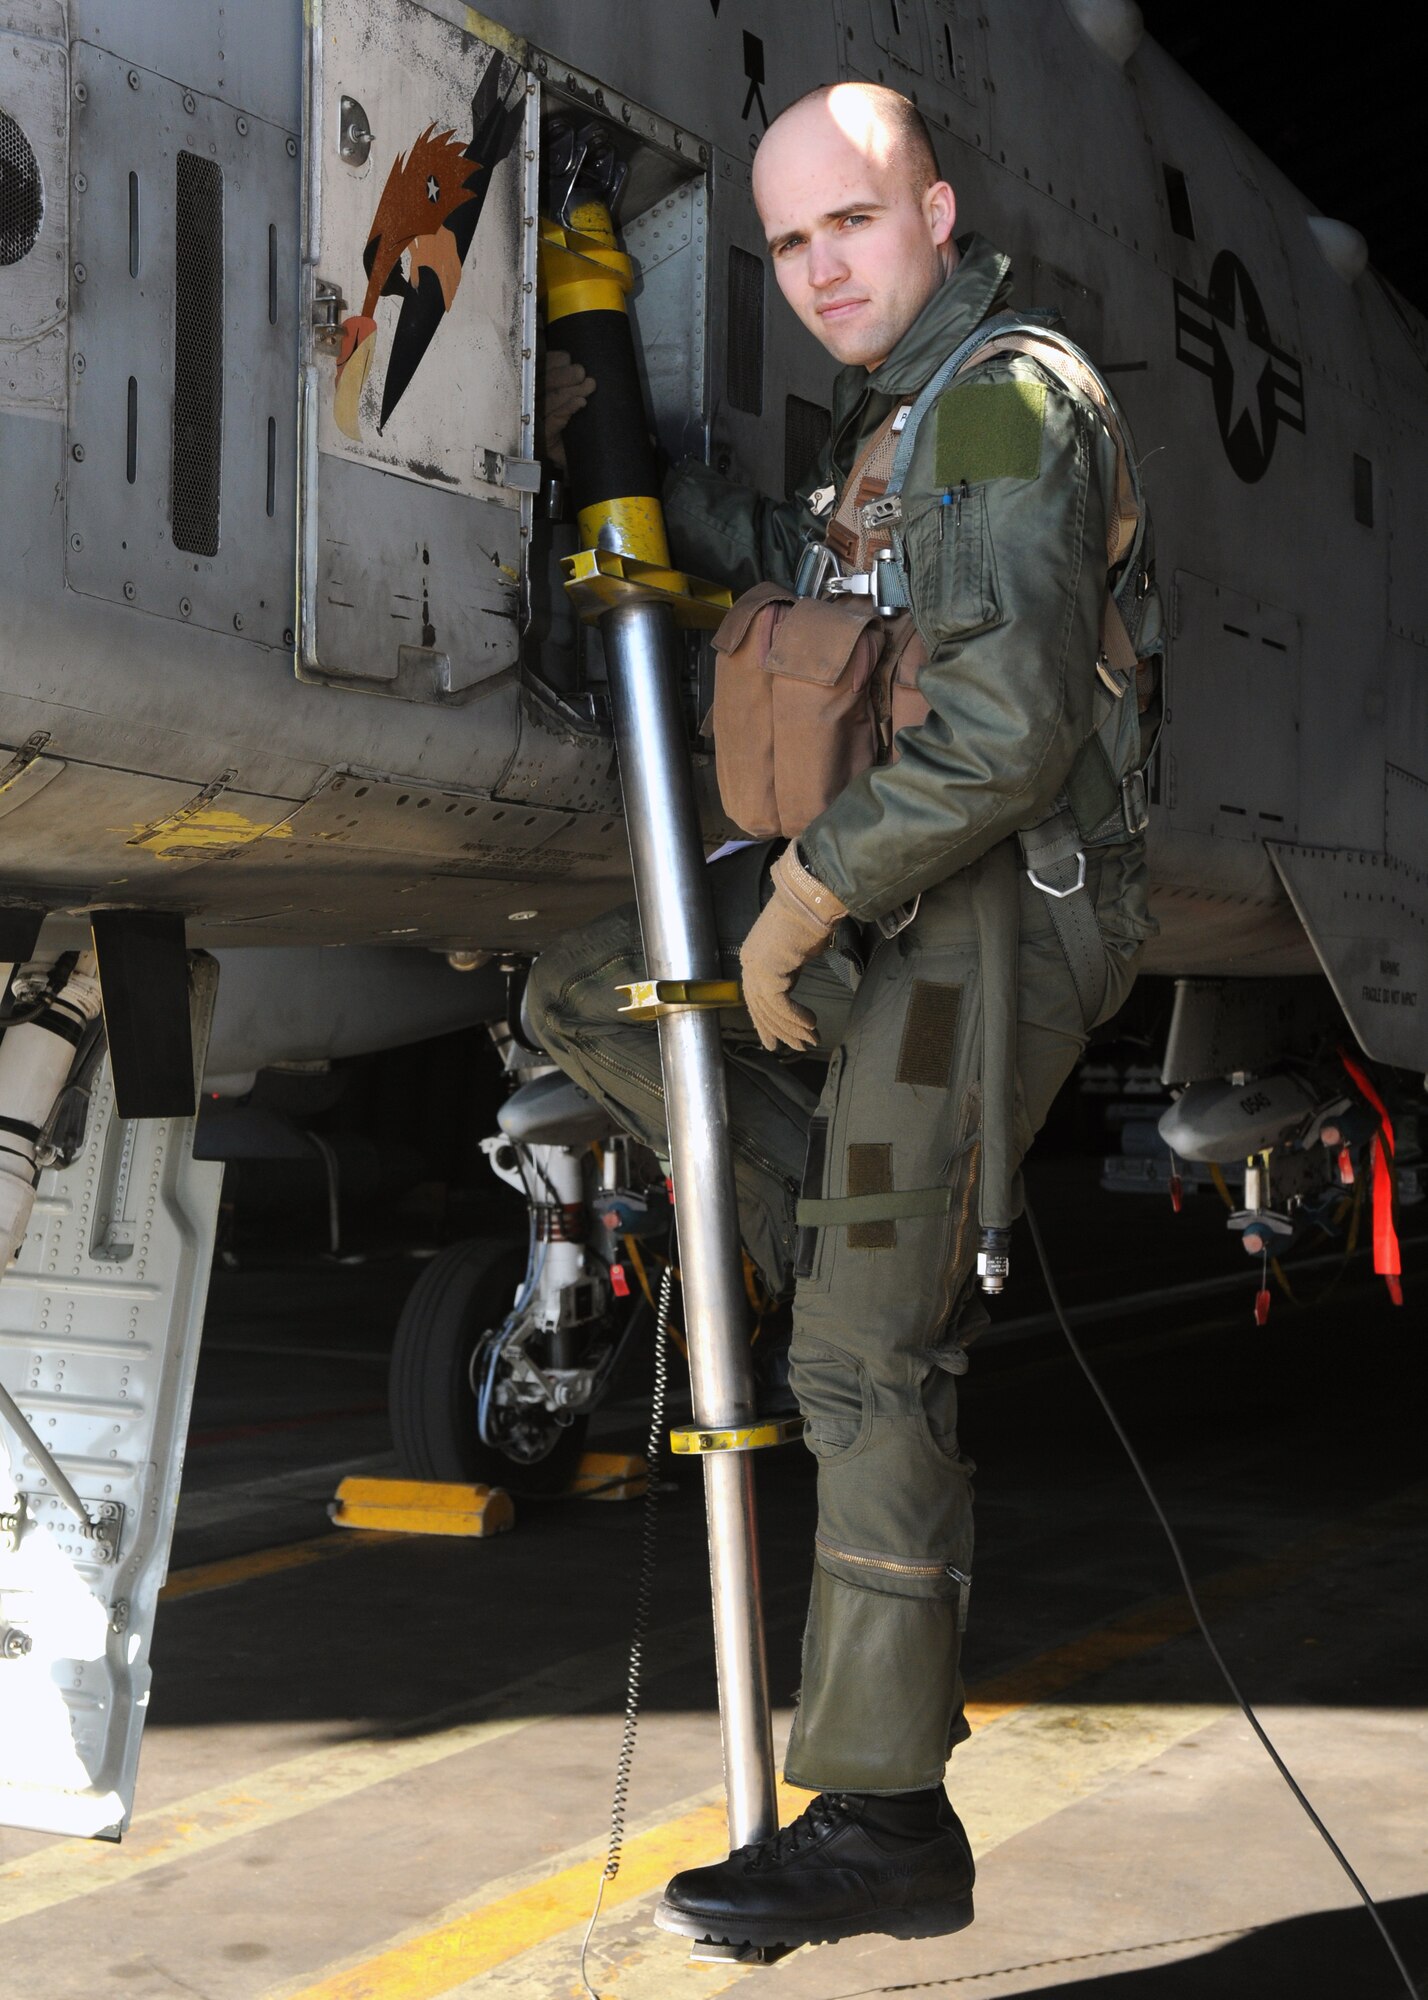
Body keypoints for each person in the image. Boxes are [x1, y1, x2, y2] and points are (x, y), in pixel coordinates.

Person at [528, 81, 1157, 1947]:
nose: (819, 272)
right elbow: (817, 583)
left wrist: (796, 911)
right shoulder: (900, 422)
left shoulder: (1010, 404)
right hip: (914, 895)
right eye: (791, 242)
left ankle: (890, 1825)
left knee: (872, 1364)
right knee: (587, 991)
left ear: (938, 214)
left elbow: (1002, 735)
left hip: (994, 919)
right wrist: (606, 461)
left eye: (853, 228)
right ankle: (856, 1240)